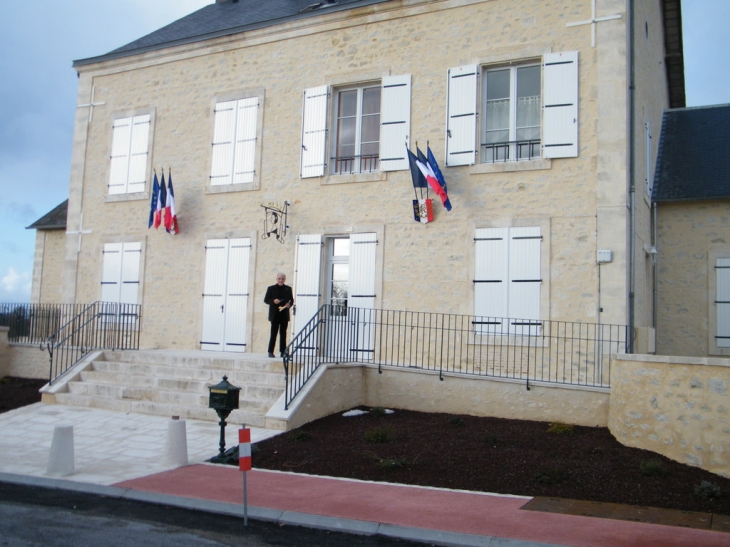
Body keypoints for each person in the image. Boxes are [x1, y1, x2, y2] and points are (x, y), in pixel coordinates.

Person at [264, 273, 294, 358]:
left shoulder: (288, 289)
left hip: (284, 314)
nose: (281, 280)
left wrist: (289, 304)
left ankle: (283, 352)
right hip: (275, 314)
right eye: (279, 278)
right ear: (276, 279)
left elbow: (291, 300)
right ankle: (270, 351)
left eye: (282, 279)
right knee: (273, 333)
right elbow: (266, 300)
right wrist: (273, 301)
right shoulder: (271, 288)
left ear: (285, 279)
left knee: (283, 334)